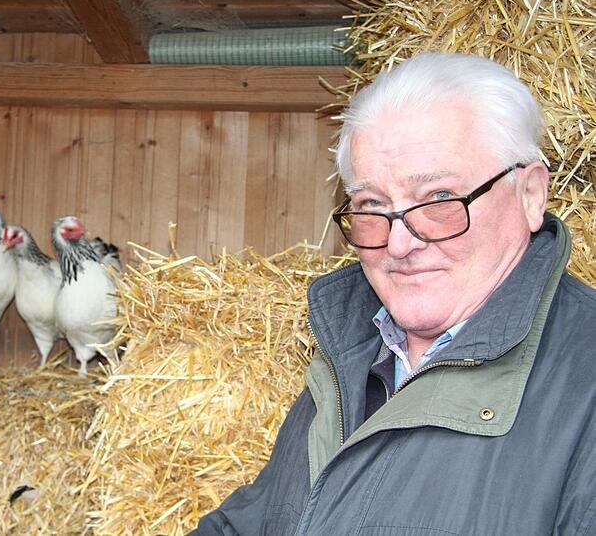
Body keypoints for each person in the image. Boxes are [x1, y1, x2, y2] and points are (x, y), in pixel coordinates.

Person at [192, 52, 596, 535]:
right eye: (372, 204)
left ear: (530, 195)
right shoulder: (352, 352)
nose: (399, 244)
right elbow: (258, 522)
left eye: (439, 199)